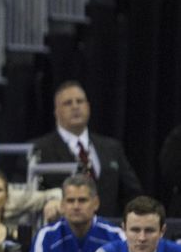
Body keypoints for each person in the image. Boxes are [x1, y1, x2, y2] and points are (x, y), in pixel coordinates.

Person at [32, 81, 143, 217]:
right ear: (56, 112)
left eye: (80, 101)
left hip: (108, 231)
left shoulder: (111, 148)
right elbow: (28, 196)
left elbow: (132, 193)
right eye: (68, 103)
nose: (75, 107)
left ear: (88, 107)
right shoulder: (39, 150)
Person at [30, 174, 124, 252]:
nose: (76, 206)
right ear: (62, 204)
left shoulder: (116, 236)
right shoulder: (46, 236)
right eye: (70, 200)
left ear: (96, 203)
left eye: (82, 200)